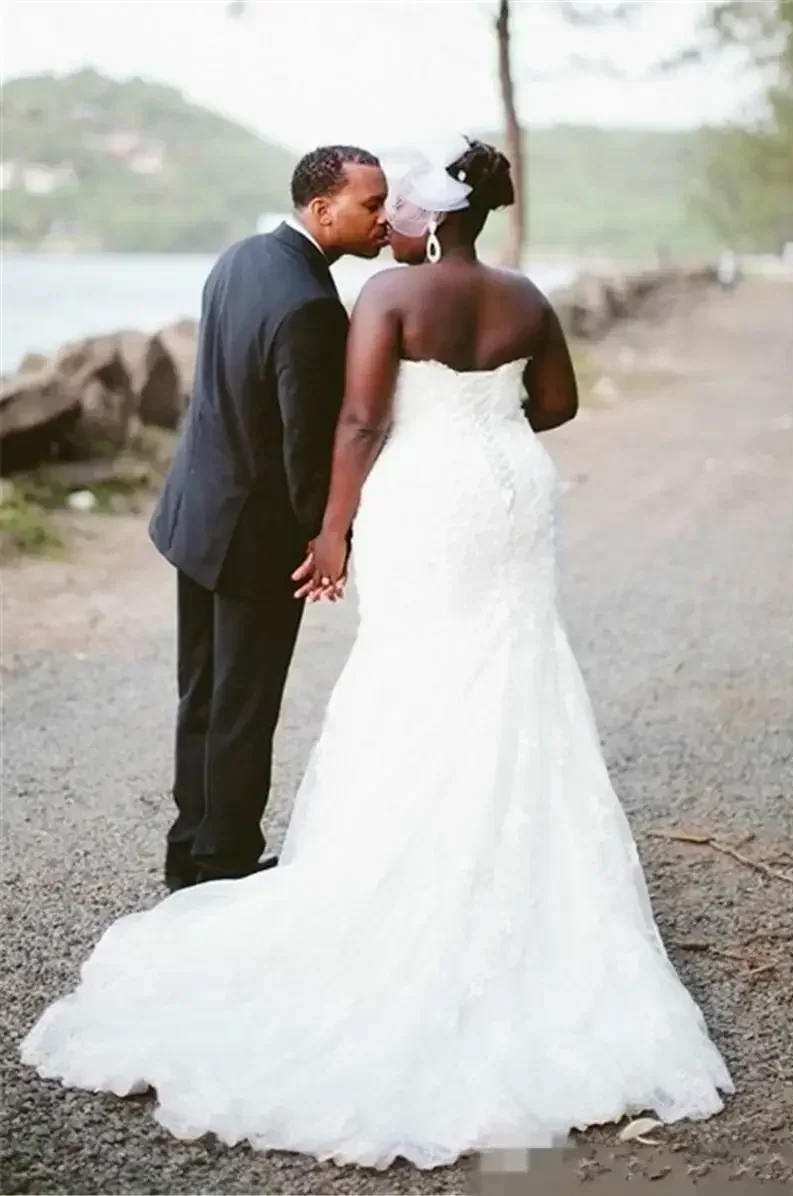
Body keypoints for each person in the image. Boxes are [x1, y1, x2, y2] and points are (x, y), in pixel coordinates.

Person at [21, 137, 732, 1170]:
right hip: (509, 494)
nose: (384, 217)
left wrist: (332, 529)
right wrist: (489, 420)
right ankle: (497, 878)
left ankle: (294, 857)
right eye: (370, 203)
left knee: (408, 673)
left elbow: (355, 420)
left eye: (393, 204)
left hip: (421, 501)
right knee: (513, 669)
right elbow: (559, 406)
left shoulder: (376, 299)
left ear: (429, 214)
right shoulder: (527, 295)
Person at [147, 146, 388, 889]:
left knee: (205, 695)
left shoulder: (241, 257)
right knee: (245, 706)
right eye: (371, 205)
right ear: (323, 210)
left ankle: (189, 851)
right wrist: (329, 537)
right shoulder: (312, 307)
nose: (384, 220)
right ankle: (224, 865)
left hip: (196, 514)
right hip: (254, 537)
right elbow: (304, 445)